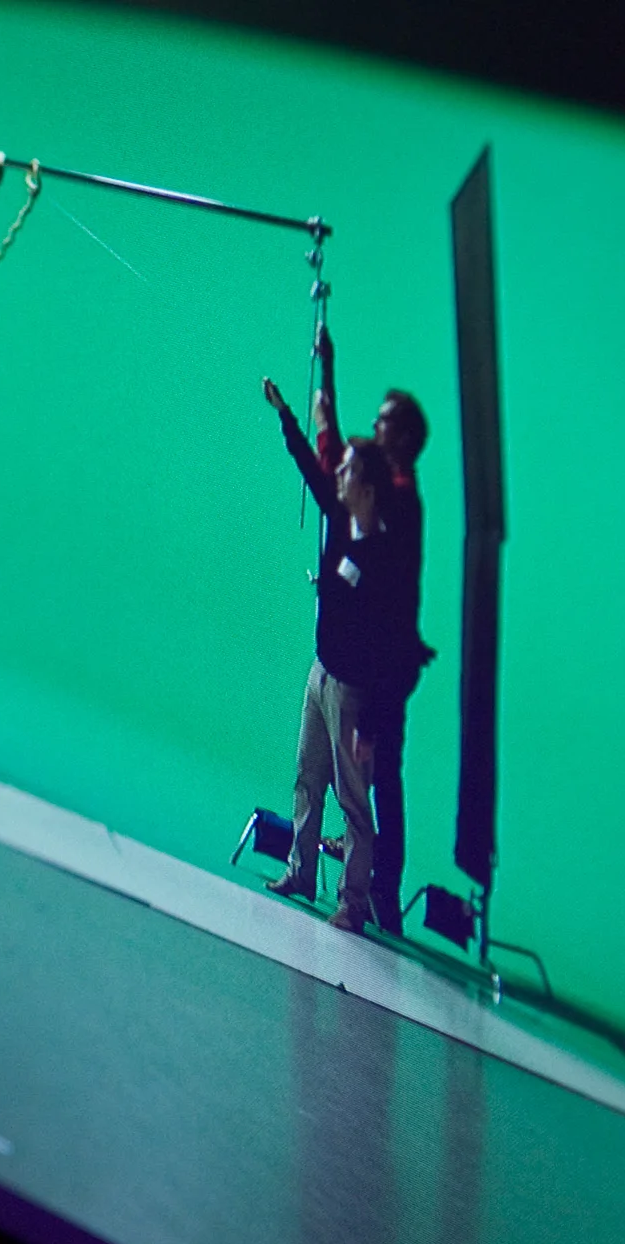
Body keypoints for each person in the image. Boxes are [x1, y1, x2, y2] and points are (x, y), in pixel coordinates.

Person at [263, 374, 412, 933]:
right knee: (308, 776)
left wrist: (372, 714)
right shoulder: (341, 516)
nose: (340, 475)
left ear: (368, 488)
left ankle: (354, 900)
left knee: (354, 800)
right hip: (320, 673)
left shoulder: (382, 555)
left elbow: (383, 639)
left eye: (349, 470)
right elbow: (312, 465)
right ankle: (301, 872)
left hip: (352, 691)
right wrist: (290, 418)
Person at [308, 324, 434, 935]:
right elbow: (339, 464)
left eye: (385, 424)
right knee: (375, 773)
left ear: (404, 439)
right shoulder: (389, 487)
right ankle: (375, 874)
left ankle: (380, 887)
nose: (377, 429)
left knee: (378, 768)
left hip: (385, 665)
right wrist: (327, 372)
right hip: (385, 656)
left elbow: (388, 603)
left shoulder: (399, 500)